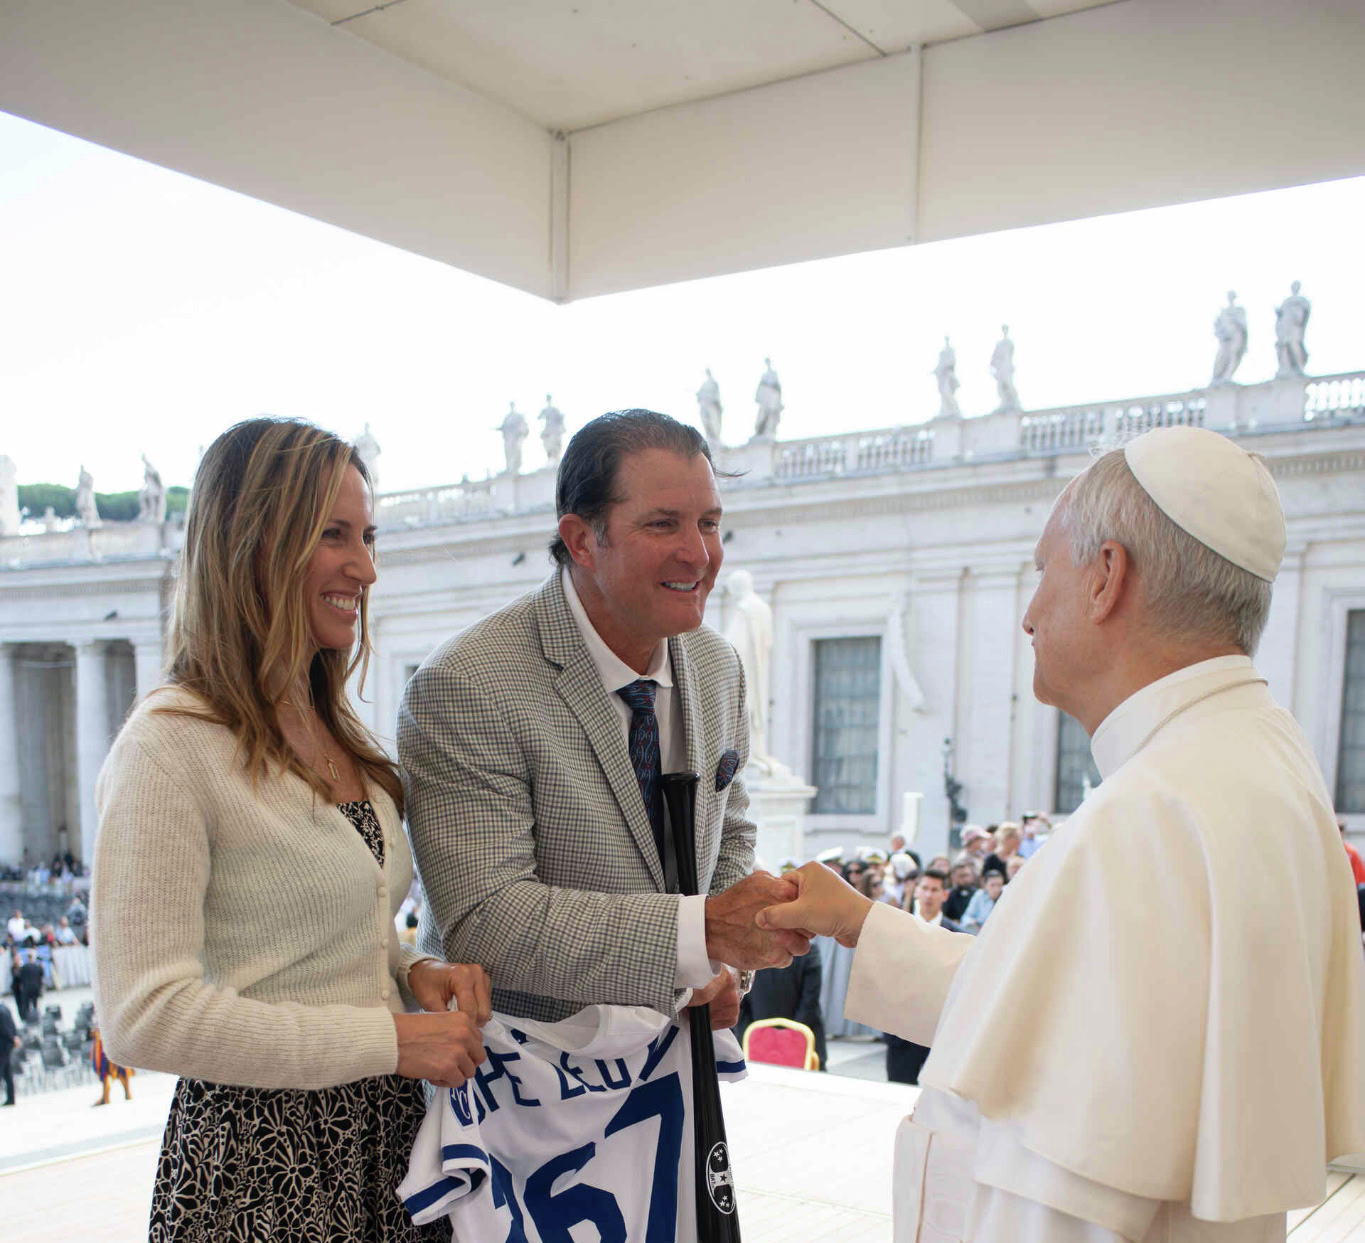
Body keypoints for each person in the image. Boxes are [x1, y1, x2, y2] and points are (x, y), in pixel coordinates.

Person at [759, 424, 1365, 1242]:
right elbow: (1049, 1007)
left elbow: (1056, 1204)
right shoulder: (1252, 760)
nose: (1027, 613)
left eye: (1043, 569)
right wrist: (860, 925)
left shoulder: (1145, 819)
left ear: (1106, 577)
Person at [399, 409, 802, 1227]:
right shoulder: (468, 684)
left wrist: (724, 968)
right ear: (581, 539)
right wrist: (697, 938)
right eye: (664, 524)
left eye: (710, 523)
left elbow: (730, 831)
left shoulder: (716, 667)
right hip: (527, 1127)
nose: (700, 552)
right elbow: (487, 922)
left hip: (669, 1111)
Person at [92, 417, 490, 1243]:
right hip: (259, 1173)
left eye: (368, 536)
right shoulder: (168, 745)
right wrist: (386, 1037)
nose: (365, 567)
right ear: (253, 544)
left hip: (383, 1140)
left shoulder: (338, 727)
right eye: (333, 535)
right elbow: (143, 1015)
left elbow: (340, 928)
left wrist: (411, 970)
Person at [884, 869, 960, 1084]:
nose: (929, 895)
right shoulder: (898, 928)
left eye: (935, 890)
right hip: (902, 1031)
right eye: (924, 888)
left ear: (944, 895)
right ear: (916, 891)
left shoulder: (958, 935)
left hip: (941, 1034)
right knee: (897, 1096)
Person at [961, 868, 1005, 935]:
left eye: (999, 885)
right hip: (980, 932)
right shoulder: (979, 896)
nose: (996, 889)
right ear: (985, 885)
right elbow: (966, 918)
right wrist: (974, 924)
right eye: (992, 885)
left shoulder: (1005, 895)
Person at [942, 854, 980, 923]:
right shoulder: (948, 895)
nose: (965, 879)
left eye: (967, 875)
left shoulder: (977, 894)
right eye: (961, 876)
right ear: (953, 877)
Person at [0, 1000, 17, 1105]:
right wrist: (14, 1037)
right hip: (7, 1044)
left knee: (2, 1072)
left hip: (2, 1045)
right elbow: (12, 1025)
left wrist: (12, 1037)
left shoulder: (1, 1011)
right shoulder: (5, 1008)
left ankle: (10, 1098)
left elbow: (5, 1029)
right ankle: (11, 1098)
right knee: (7, 1073)